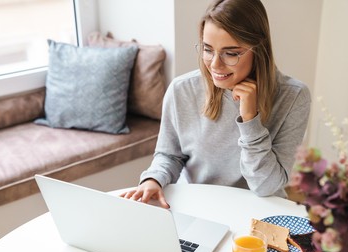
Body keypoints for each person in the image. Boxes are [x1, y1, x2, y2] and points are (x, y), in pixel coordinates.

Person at [121, 0, 311, 208]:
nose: (214, 64)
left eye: (231, 53)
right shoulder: (181, 90)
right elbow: (170, 155)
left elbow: (266, 187)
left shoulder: (293, 97)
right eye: (208, 49)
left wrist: (250, 121)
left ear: (259, 50)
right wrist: (153, 179)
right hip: (198, 206)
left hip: (260, 210)